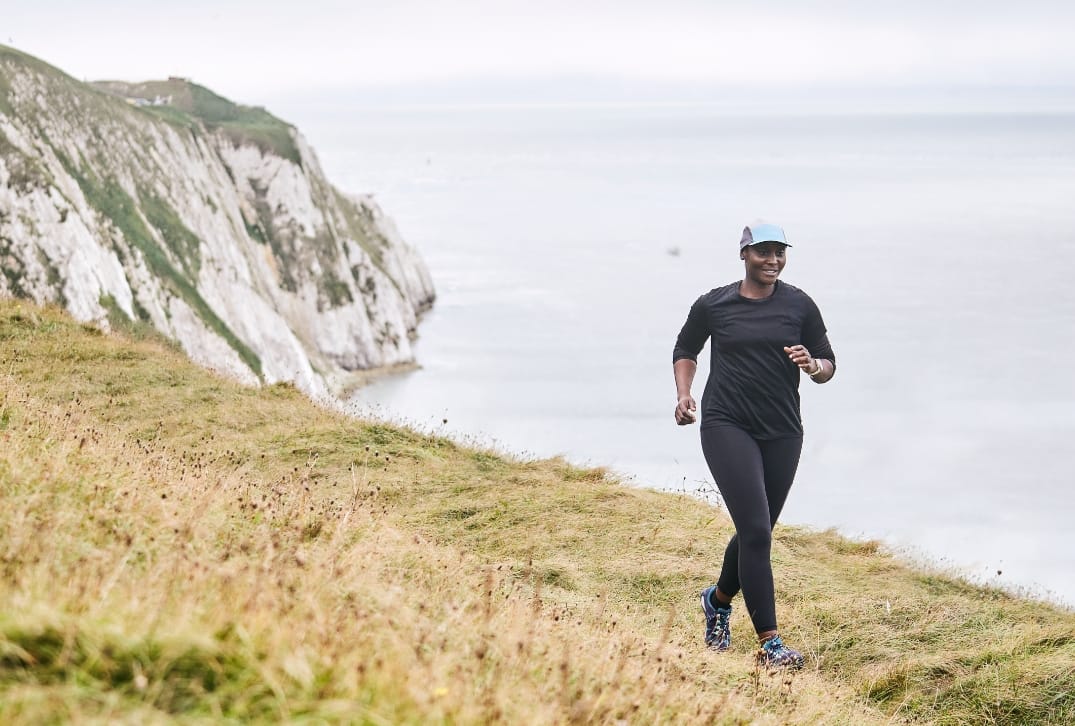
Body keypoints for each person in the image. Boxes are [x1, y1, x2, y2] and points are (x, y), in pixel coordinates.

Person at [672, 222, 836, 669]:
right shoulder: (715, 303)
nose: (773, 260)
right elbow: (686, 348)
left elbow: (828, 363)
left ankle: (717, 600)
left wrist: (813, 365)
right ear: (744, 254)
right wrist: (684, 394)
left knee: (754, 531)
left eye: (780, 252)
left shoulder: (800, 304)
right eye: (764, 252)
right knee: (758, 532)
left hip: (783, 430)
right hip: (727, 423)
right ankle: (771, 644)